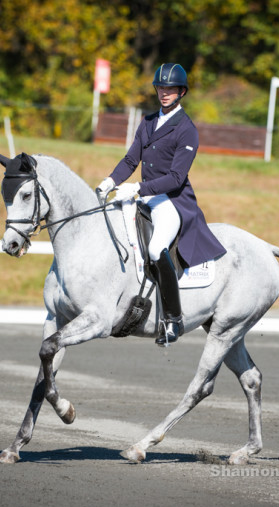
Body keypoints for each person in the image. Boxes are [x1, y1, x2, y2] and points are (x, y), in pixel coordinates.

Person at [96, 63, 226, 345]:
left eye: (170, 89)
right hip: (143, 195)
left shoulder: (187, 130)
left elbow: (176, 177)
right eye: (160, 88)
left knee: (156, 247)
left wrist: (137, 188)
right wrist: (109, 181)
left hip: (172, 201)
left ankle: (173, 320)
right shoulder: (147, 122)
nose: (164, 93)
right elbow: (132, 160)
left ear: (181, 92)